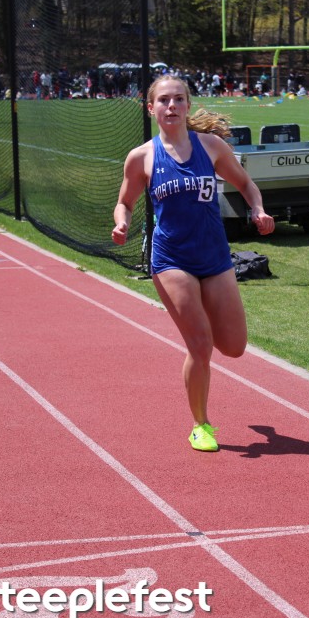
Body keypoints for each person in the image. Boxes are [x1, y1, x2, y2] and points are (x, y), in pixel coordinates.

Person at [112, 75, 275, 452]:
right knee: (200, 345)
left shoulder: (211, 146)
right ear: (150, 108)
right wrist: (122, 223)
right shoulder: (142, 157)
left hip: (214, 256)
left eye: (178, 99)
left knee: (233, 346)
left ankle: (204, 325)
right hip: (172, 259)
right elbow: (125, 202)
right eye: (163, 100)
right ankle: (201, 425)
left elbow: (246, 184)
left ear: (187, 105)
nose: (171, 106)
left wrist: (258, 210)